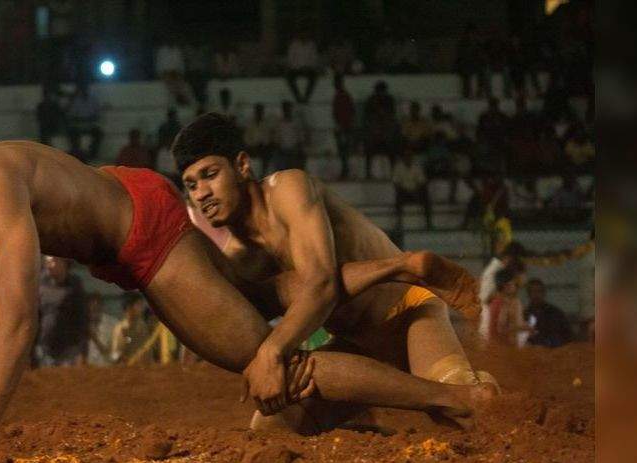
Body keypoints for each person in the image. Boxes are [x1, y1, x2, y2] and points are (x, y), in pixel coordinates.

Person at [0, 135, 483, 433]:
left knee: (273, 364)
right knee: (258, 293)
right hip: (123, 199)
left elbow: (18, 321)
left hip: (143, 234)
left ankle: (449, 400)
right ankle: (399, 267)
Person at [172, 113, 497, 433]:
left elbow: (323, 283)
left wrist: (274, 352)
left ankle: (484, 393)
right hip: (354, 344)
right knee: (271, 429)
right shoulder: (241, 260)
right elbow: (247, 324)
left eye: (209, 174)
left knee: (469, 412)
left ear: (242, 165)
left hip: (408, 313)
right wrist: (287, 360)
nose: (201, 193)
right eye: (191, 185)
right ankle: (366, 420)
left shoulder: (287, 189)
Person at [36, 256, 87, 366]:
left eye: (53, 261)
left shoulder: (75, 285)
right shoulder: (40, 284)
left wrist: (82, 351)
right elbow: (35, 317)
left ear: (64, 263)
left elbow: (81, 320)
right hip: (44, 348)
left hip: (68, 351)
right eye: (47, 262)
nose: (49, 265)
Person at [478, 240, 526, 339]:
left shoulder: (501, 270)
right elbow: (484, 298)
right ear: (510, 258)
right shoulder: (493, 272)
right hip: (489, 315)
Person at [364, 81, 401, 179]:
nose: (380, 93)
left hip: (386, 134)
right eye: (378, 91)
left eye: (382, 91)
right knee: (368, 150)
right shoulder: (371, 100)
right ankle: (368, 172)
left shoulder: (389, 100)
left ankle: (394, 172)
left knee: (392, 149)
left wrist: (385, 133)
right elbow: (367, 118)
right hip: (374, 134)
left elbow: (392, 118)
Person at [524, 278, 574, 348]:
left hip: (555, 351)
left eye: (539, 291)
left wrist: (544, 345)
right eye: (533, 292)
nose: (536, 295)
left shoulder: (555, 313)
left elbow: (566, 336)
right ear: (528, 294)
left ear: (544, 293)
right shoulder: (525, 314)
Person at [486, 267, 527, 347]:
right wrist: (522, 328)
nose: (516, 286)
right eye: (514, 283)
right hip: (501, 348)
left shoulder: (500, 301)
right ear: (506, 286)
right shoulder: (501, 303)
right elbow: (501, 328)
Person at [391, 147, 431, 229]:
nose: (408, 157)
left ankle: (428, 222)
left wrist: (416, 190)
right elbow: (396, 183)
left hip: (416, 192)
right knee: (398, 197)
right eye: (406, 155)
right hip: (404, 192)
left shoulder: (417, 167)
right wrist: (406, 191)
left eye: (409, 155)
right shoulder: (398, 167)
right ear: (403, 157)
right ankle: (398, 222)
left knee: (426, 197)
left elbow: (422, 181)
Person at [65, 80, 103, 162]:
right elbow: (71, 115)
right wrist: (81, 119)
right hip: (78, 125)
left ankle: (92, 154)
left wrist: (88, 119)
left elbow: (97, 114)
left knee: (98, 133)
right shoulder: (75, 100)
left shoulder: (93, 99)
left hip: (90, 125)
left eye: (85, 88)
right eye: (82, 88)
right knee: (72, 132)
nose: (83, 90)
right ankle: (77, 154)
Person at [111, 293, 152, 363]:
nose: (141, 308)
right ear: (129, 307)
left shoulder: (143, 326)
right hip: (128, 369)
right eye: (138, 305)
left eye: (141, 305)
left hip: (145, 368)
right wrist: (126, 359)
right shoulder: (120, 328)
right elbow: (114, 354)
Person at [331, 75, 356, 180]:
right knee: (342, 150)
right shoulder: (341, 96)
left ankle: (345, 170)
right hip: (342, 127)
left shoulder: (343, 96)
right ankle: (344, 170)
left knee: (344, 150)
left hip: (345, 127)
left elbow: (350, 112)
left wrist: (344, 125)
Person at [285, 32, 319, 104]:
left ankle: (306, 98)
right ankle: (298, 98)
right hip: (296, 69)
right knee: (289, 77)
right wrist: (298, 67)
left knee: (314, 76)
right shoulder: (294, 44)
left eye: (306, 34)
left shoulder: (311, 45)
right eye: (302, 34)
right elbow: (290, 59)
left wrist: (308, 67)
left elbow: (314, 59)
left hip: (308, 69)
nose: (304, 35)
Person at [85, 292, 118, 366]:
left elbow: (114, 353)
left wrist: (95, 338)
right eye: (89, 310)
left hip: (107, 368)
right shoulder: (82, 324)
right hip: (87, 369)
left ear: (101, 307)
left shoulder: (113, 324)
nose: (92, 313)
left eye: (96, 309)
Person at [243, 103, 276, 175]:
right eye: (258, 111)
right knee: (253, 170)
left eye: (261, 111)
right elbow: (247, 138)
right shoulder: (250, 123)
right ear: (255, 112)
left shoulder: (267, 123)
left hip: (264, 149)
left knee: (265, 170)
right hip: (253, 149)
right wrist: (252, 146)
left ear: (263, 112)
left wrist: (264, 144)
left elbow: (270, 138)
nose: (259, 113)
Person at [274, 101, 307, 171]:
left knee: (298, 157)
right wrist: (280, 148)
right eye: (285, 109)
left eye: (288, 109)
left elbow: (300, 138)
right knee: (278, 158)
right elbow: (276, 139)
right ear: (283, 110)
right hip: (282, 151)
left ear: (290, 110)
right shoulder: (279, 123)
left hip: (294, 150)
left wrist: (297, 148)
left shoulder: (296, 122)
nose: (286, 111)